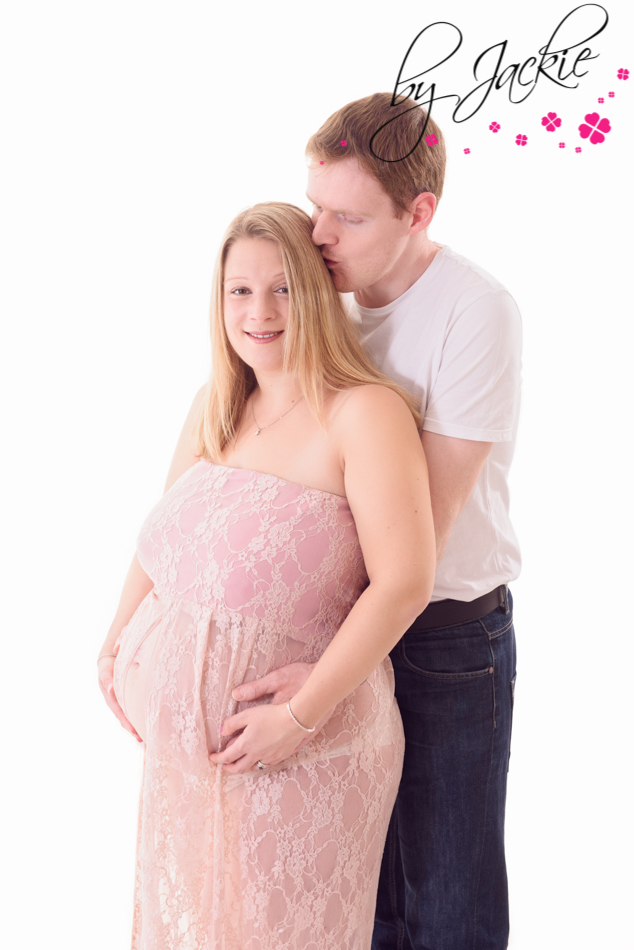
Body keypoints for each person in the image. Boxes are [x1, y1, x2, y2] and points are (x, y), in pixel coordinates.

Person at [97, 201, 436, 950]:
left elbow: (405, 581)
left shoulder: (362, 413)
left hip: (305, 754)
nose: (259, 311)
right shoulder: (217, 403)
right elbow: (163, 543)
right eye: (239, 291)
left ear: (318, 292)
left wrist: (300, 716)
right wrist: (118, 641)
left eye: (282, 288)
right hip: (187, 767)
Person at [233, 95, 522, 950]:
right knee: (359, 893)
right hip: (336, 625)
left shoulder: (476, 313)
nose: (319, 235)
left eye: (348, 218)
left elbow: (411, 544)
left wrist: (313, 689)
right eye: (316, 206)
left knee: (444, 897)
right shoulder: (327, 293)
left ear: (418, 213)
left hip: (443, 639)